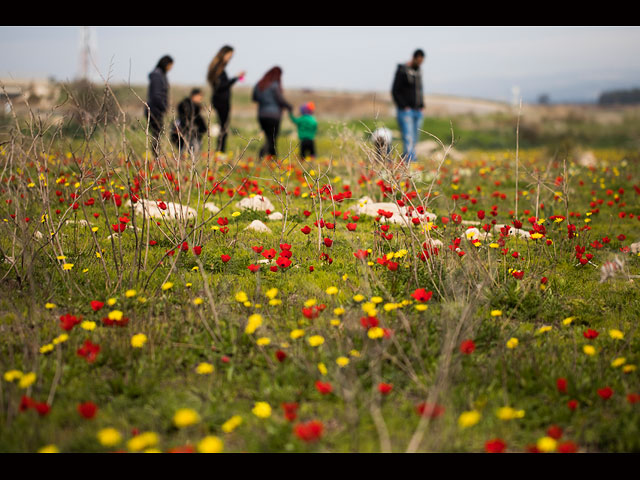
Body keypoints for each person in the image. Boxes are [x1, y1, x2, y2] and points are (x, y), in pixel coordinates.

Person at [207, 45, 245, 154]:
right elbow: (222, 86)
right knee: (223, 129)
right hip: (221, 101)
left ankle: (220, 151)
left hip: (220, 101)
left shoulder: (217, 68)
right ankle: (220, 151)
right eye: (230, 55)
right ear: (224, 54)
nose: (230, 58)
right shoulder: (218, 68)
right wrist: (236, 78)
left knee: (223, 128)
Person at [391, 49, 425, 163]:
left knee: (414, 139)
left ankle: (408, 161)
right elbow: (395, 91)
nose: (420, 63)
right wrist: (404, 106)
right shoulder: (402, 70)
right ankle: (411, 162)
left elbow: (419, 90)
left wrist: (422, 105)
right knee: (408, 138)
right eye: (418, 60)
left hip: (418, 111)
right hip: (406, 111)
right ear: (414, 58)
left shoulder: (418, 71)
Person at [252, 66, 292, 160]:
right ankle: (264, 156)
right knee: (272, 138)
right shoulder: (274, 85)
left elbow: (255, 98)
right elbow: (280, 100)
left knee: (268, 137)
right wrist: (289, 106)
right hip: (274, 116)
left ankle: (272, 158)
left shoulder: (259, 84)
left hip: (262, 115)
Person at [146, 55, 173, 156]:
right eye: (170, 65)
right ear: (166, 64)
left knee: (157, 133)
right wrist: (164, 107)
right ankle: (156, 155)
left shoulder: (161, 74)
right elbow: (157, 95)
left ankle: (156, 154)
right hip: (155, 110)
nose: (171, 68)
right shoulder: (157, 76)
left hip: (157, 109)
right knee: (156, 134)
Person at [171, 88, 207, 156]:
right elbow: (186, 119)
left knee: (190, 152)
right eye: (200, 96)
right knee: (189, 152)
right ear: (194, 96)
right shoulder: (186, 106)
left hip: (192, 133)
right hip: (186, 133)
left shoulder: (195, 106)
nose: (201, 99)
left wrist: (203, 129)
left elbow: (199, 120)